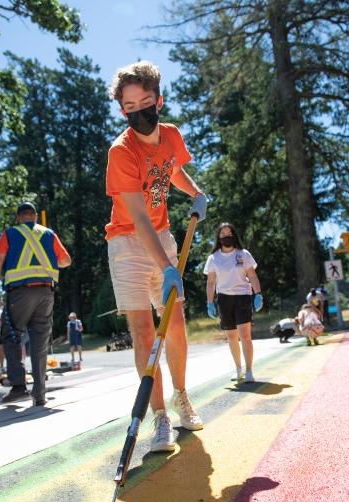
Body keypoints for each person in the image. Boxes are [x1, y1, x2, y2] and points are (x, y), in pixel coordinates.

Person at [106, 60, 209, 452]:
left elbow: (173, 171)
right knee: (145, 333)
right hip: (128, 244)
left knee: (177, 326)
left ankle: (183, 397)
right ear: (122, 111)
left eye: (144, 102)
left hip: (162, 236)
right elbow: (137, 218)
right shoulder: (121, 152)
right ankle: (160, 416)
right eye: (129, 107)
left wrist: (195, 192)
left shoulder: (171, 135)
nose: (138, 111)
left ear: (158, 100)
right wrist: (167, 266)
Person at [0, 201, 72, 405]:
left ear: (19, 218)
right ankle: (40, 393)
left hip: (20, 294)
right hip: (46, 293)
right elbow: (66, 261)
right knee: (39, 343)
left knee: (11, 336)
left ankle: (18, 387)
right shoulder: (49, 234)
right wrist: (48, 261)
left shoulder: (10, 233)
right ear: (35, 216)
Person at [204, 223, 263, 383]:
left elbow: (252, 276)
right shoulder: (213, 258)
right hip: (224, 299)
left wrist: (258, 294)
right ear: (219, 238)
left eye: (229, 234)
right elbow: (210, 282)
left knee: (245, 336)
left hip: (242, 297)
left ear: (234, 235)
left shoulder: (243, 254)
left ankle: (249, 370)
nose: (226, 237)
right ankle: (238, 369)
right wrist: (210, 302)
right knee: (231, 337)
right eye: (222, 235)